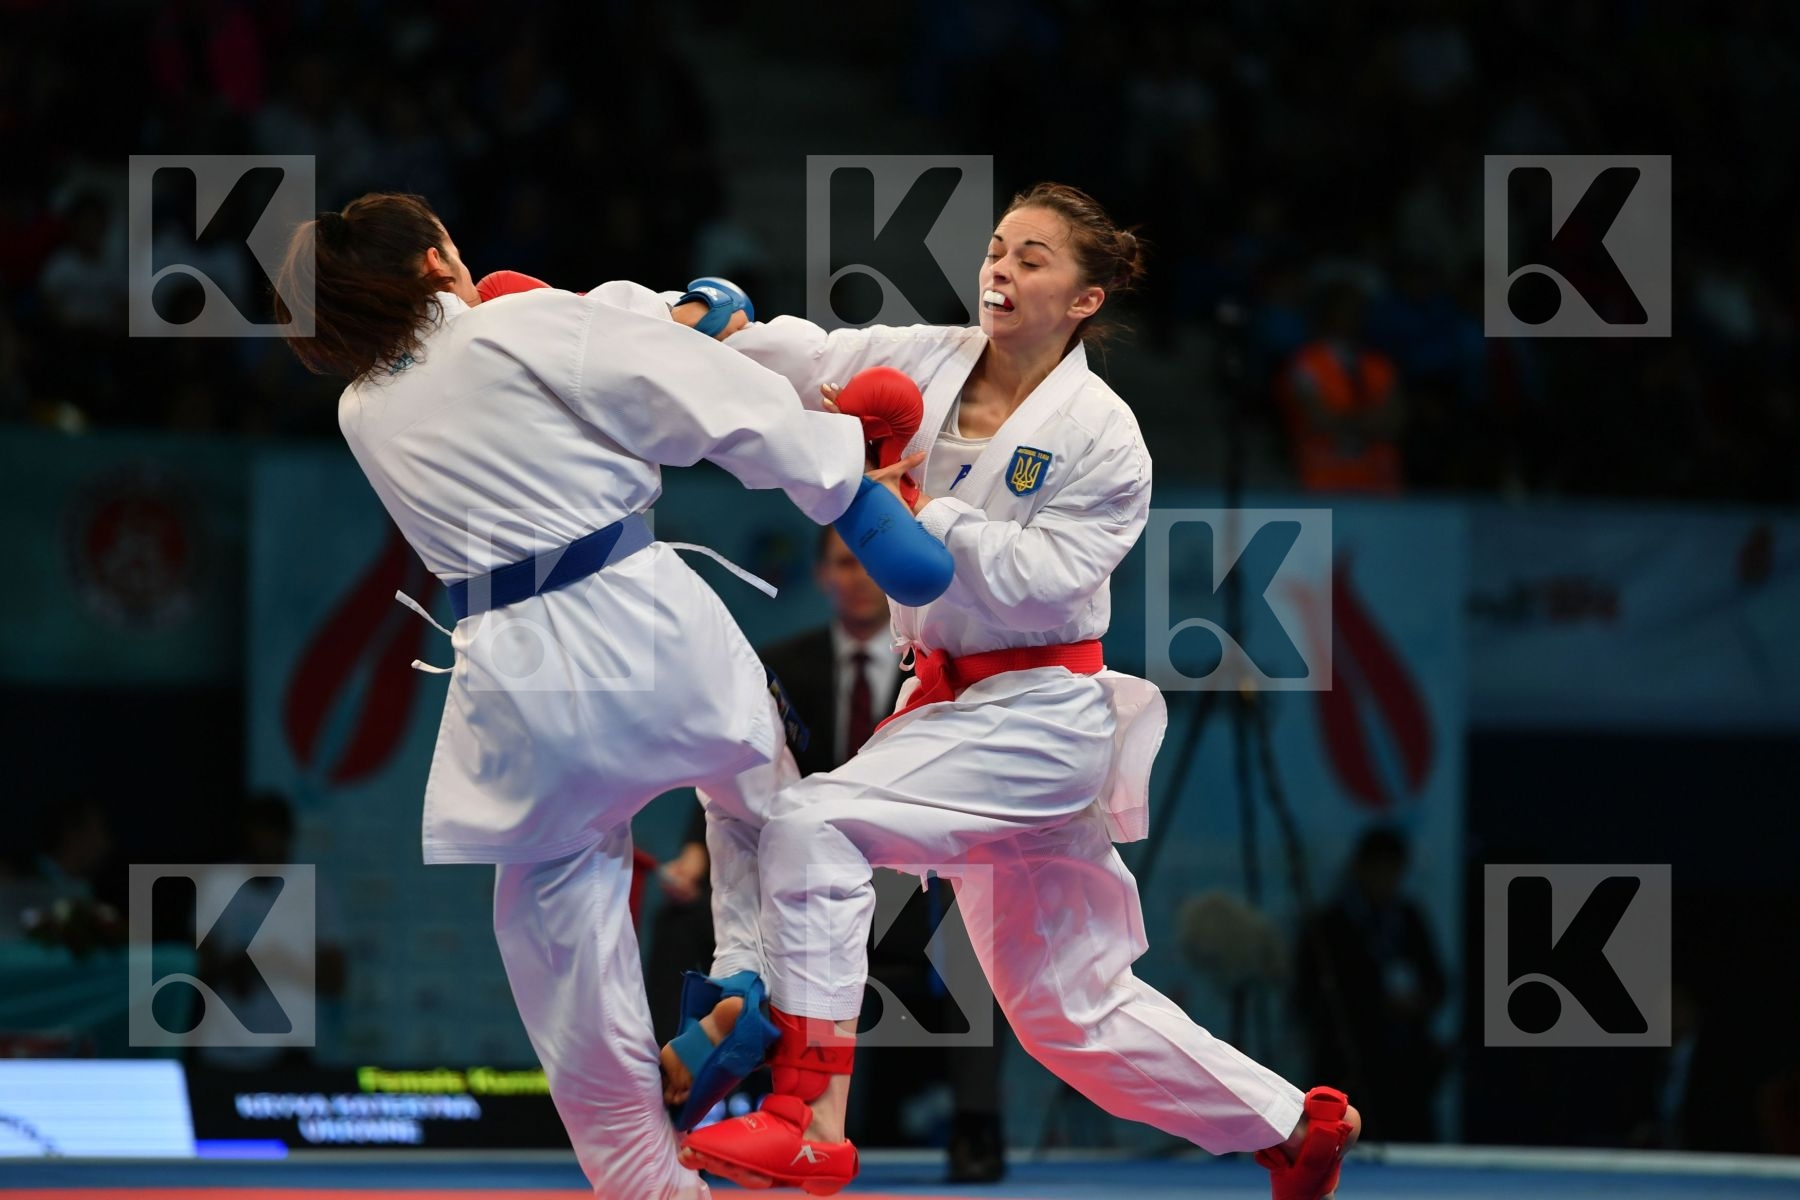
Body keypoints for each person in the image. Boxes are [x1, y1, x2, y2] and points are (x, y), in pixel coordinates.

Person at [675, 183, 1361, 1199]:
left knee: (814, 824)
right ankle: (1296, 1128)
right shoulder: (929, 358)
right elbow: (813, 359)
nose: (1000, 269)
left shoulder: (1104, 434)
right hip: (951, 706)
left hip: (1037, 713)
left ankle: (808, 1119)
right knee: (1066, 1014)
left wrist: (913, 509)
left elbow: (1043, 580)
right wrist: (699, 327)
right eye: (997, 249)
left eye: (1031, 258)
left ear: (1084, 299)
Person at [272, 191, 929, 1200]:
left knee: (555, 926)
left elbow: (567, 356)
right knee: (763, 799)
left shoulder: (361, 410)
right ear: (435, 262)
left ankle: (640, 1178)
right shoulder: (518, 324)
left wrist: (653, 315)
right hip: (640, 622)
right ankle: (748, 975)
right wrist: (840, 476)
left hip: (513, 679)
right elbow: (684, 392)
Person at [1296, 827, 1445, 1142]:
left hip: (1406, 1069)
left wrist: (1418, 1003)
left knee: (1412, 1147)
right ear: (1360, 868)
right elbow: (1307, 997)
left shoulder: (1409, 919)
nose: (1386, 880)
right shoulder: (1329, 925)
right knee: (1342, 1144)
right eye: (1379, 869)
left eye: (1394, 871)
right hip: (1348, 1065)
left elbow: (1439, 982)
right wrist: (1375, 1005)